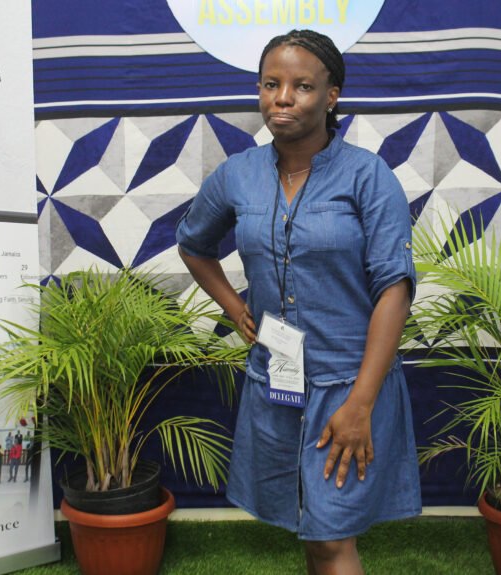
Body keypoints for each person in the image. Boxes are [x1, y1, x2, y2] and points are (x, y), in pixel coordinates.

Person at [176, 30, 420, 574]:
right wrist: (233, 306)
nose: (282, 98)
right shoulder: (238, 175)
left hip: (350, 384)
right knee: (312, 532)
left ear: (331, 95)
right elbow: (193, 243)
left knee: (333, 537)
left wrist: (360, 403)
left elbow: (394, 290)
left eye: (302, 86)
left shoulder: (367, 176)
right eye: (271, 84)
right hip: (278, 378)